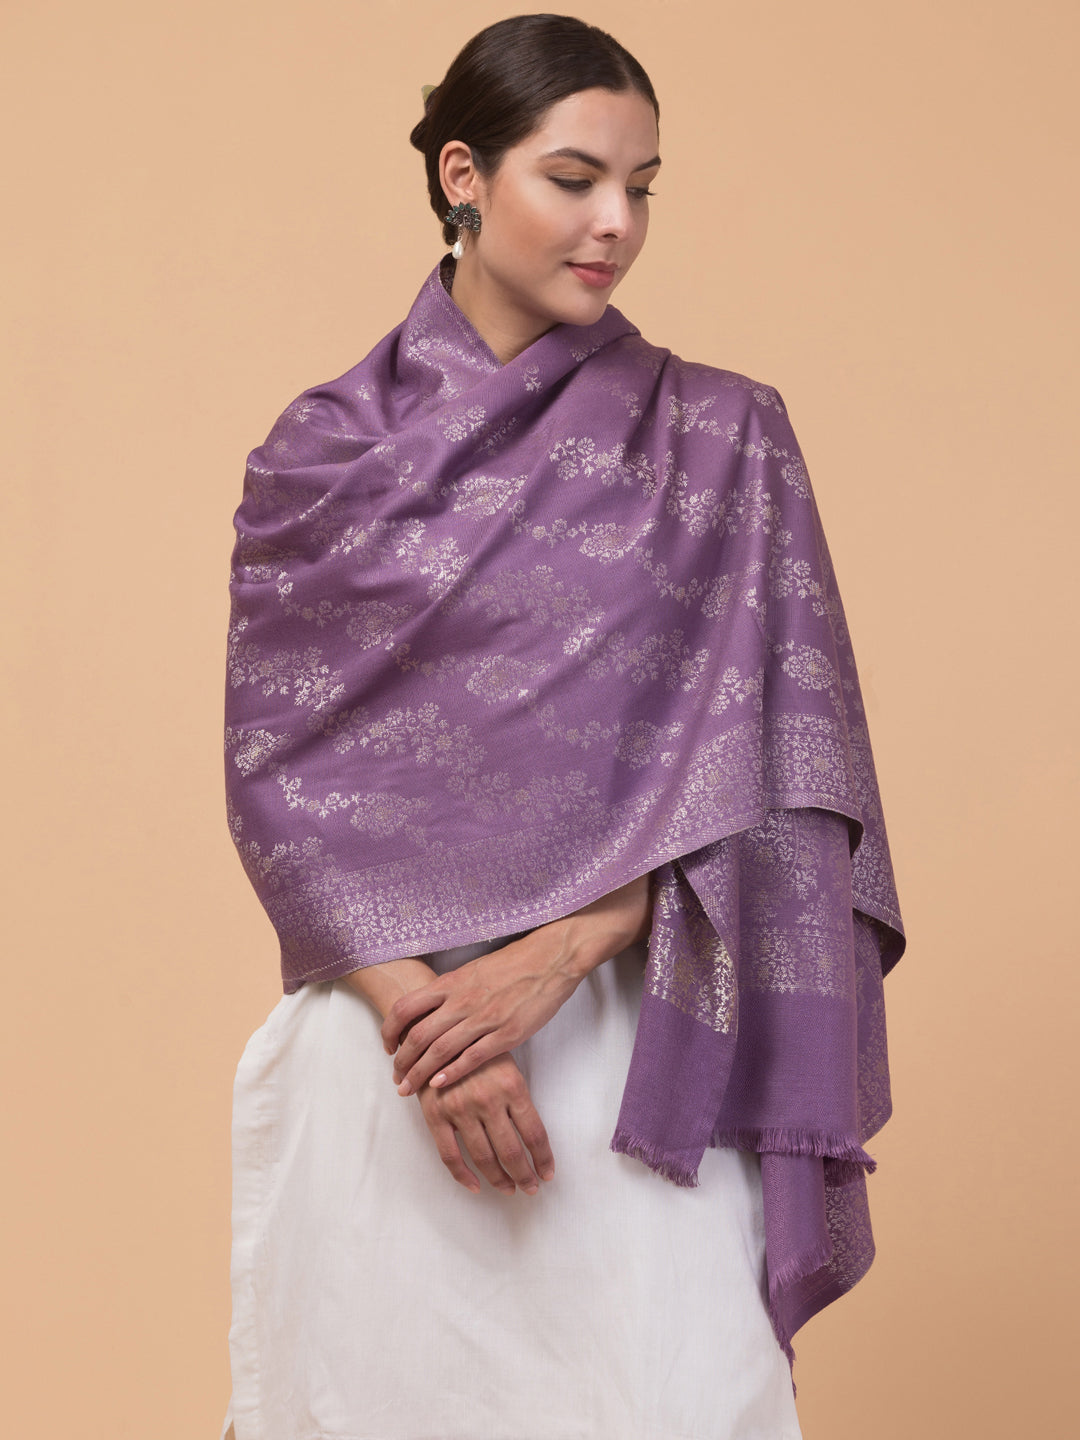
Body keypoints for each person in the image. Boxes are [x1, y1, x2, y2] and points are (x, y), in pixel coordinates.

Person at [219, 15, 904, 1440]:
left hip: (643, 1040)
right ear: (464, 176)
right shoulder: (322, 456)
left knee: (670, 1398)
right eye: (576, 179)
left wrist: (564, 950)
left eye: (641, 188)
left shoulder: (724, 437)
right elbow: (278, 780)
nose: (616, 225)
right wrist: (429, 1025)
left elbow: (794, 773)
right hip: (387, 1056)